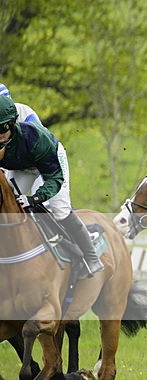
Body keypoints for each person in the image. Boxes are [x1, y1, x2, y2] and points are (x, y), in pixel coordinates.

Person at [0, 95, 104, 276]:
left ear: (12, 124)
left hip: (49, 165)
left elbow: (54, 178)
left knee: (59, 209)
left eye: (1, 128)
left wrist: (34, 198)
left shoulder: (36, 138)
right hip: (22, 167)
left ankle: (91, 256)